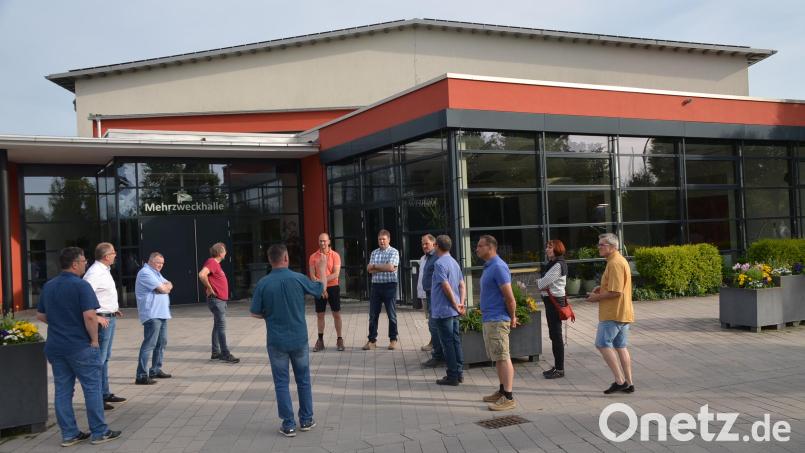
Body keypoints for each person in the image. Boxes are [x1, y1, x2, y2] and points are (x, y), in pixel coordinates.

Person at [36, 247, 122, 447]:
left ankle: (69, 434)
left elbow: (40, 315)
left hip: (56, 346)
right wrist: (94, 340)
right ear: (74, 264)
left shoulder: (49, 286)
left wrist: (59, 323)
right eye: (83, 261)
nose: (86, 263)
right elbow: (90, 316)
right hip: (79, 346)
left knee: (63, 391)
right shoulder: (81, 286)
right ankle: (99, 432)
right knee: (92, 388)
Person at [250, 244, 328, 437]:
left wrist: (270, 316)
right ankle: (307, 419)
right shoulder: (298, 278)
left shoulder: (263, 283)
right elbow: (320, 289)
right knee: (303, 380)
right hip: (299, 338)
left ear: (270, 260)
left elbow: (255, 312)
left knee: (281, 383)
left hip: (276, 340)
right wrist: (321, 269)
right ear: (286, 258)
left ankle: (289, 424)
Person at [586, 233, 635, 394]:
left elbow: (616, 292)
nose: (599, 247)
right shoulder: (618, 261)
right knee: (620, 346)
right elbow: (616, 287)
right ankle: (629, 382)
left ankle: (620, 381)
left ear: (613, 247)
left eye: (602, 244)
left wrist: (596, 297)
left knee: (601, 344)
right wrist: (602, 289)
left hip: (613, 313)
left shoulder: (614, 263)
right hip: (623, 312)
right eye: (599, 244)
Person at [475, 235, 518, 411]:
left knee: (503, 356)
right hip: (490, 319)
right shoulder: (489, 266)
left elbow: (510, 297)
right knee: (498, 358)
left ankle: (509, 397)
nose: (476, 249)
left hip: (498, 319)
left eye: (479, 246)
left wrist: (513, 316)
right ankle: (502, 391)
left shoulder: (499, 267)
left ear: (490, 247)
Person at [83, 242, 126, 410]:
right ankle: (98, 398)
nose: (116, 255)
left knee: (105, 357)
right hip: (102, 321)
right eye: (114, 253)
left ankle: (105, 392)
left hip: (110, 317)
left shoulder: (104, 270)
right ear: (106, 256)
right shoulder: (94, 272)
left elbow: (102, 295)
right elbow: (86, 295)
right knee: (99, 359)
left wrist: (113, 309)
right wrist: (97, 316)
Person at [430, 235, 466, 385]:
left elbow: (445, 286)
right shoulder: (454, 262)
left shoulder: (439, 264)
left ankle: (452, 376)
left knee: (448, 343)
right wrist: (461, 304)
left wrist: (453, 304)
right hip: (455, 309)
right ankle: (459, 372)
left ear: (437, 245)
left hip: (444, 310)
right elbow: (462, 285)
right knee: (455, 340)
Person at [134, 252, 173, 385]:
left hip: (161, 314)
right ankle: (141, 375)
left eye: (162, 263)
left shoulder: (156, 273)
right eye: (158, 263)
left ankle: (155, 369)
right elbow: (163, 288)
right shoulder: (145, 272)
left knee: (162, 342)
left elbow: (169, 284)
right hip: (152, 314)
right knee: (149, 344)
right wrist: (163, 288)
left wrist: (164, 287)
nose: (160, 266)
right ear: (150, 261)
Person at [199, 242, 239, 363]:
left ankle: (215, 352)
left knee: (217, 326)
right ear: (220, 253)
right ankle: (225, 353)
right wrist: (210, 288)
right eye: (225, 251)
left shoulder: (215, 264)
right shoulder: (212, 262)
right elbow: (202, 275)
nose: (226, 253)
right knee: (221, 327)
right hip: (217, 301)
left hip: (219, 300)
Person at [363, 229, 400, 350]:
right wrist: (382, 267)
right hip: (376, 287)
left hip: (390, 286)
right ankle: (372, 340)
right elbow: (369, 269)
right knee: (373, 315)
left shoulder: (394, 252)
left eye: (384, 239)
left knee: (391, 315)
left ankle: (393, 339)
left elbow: (391, 268)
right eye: (380, 239)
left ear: (389, 239)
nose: (382, 241)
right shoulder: (374, 253)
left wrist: (375, 266)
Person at [537, 239, 568, 380]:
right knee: (554, 335)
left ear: (557, 249)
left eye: (550, 247)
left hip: (555, 302)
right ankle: (557, 366)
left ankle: (560, 369)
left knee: (556, 336)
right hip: (551, 301)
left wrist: (541, 283)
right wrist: (542, 284)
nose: (547, 250)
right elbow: (543, 283)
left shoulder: (558, 265)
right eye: (546, 247)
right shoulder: (552, 264)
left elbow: (542, 283)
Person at [308, 233, 344, 352]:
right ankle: (320, 340)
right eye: (320, 241)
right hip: (318, 288)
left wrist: (323, 281)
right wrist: (322, 287)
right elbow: (312, 276)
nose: (322, 243)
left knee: (336, 314)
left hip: (333, 287)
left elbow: (336, 274)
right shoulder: (313, 257)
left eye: (324, 241)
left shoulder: (335, 255)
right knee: (320, 315)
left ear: (329, 241)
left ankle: (339, 339)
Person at [419, 234, 444, 366]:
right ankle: (438, 354)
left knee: (434, 325)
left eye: (426, 243)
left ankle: (438, 356)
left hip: (436, 296)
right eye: (422, 244)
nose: (424, 246)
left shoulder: (437, 257)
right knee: (432, 325)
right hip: (428, 295)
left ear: (434, 244)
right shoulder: (427, 257)